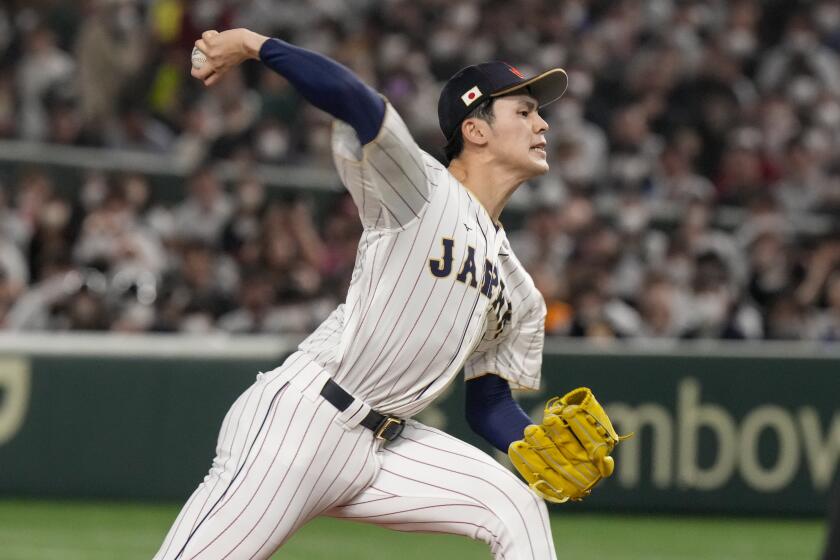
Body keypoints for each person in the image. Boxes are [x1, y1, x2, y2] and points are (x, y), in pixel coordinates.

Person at [154, 27, 569, 560]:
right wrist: (253, 44)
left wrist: (527, 442)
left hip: (389, 445)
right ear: (476, 129)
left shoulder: (520, 289)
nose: (543, 123)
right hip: (305, 421)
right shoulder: (421, 188)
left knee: (517, 506)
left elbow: (487, 401)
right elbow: (355, 100)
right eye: (525, 111)